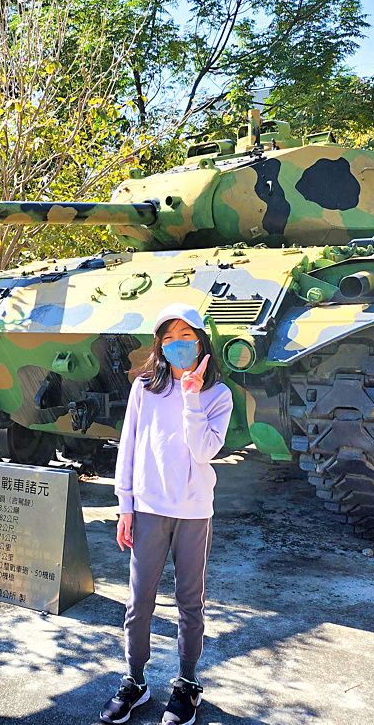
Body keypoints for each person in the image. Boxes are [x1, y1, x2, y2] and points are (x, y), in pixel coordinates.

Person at [99, 302, 234, 725]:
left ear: (201, 341)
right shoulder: (145, 387)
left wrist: (192, 397)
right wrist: (125, 505)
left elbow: (204, 450)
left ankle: (187, 684)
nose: (178, 344)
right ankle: (135, 681)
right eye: (169, 337)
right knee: (138, 603)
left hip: (193, 512)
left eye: (186, 335)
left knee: (189, 603)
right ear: (159, 345)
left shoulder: (218, 395)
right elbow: (130, 445)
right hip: (149, 509)